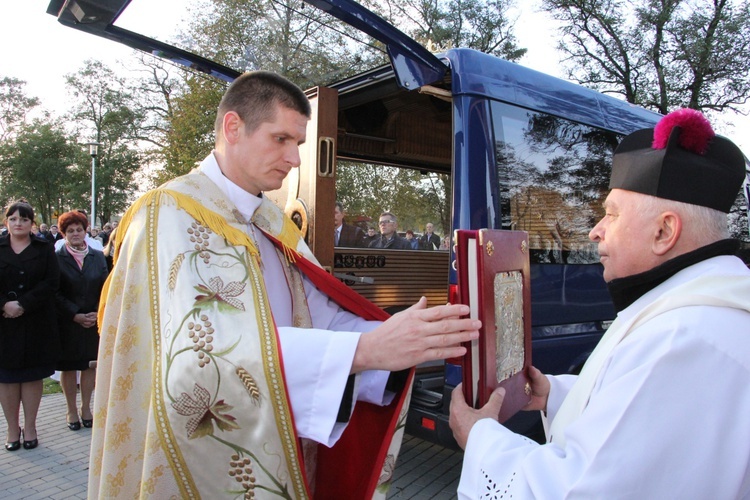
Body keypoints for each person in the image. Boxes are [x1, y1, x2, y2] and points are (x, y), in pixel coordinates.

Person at [89, 71, 480, 498]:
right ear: (233, 128)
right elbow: (199, 353)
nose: (295, 159)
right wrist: (365, 351)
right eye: (281, 140)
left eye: (298, 144)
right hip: (196, 455)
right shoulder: (168, 213)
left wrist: (397, 336)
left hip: (281, 438)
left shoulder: (272, 221)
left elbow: (321, 316)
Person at [449, 108, 750, 498]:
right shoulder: (697, 307)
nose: (595, 231)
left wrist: (480, 440)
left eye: (611, 215)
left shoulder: (681, 338)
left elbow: (576, 490)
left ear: (664, 231)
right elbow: (640, 420)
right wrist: (554, 394)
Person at [0, 200, 60, 451]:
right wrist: (5, 305)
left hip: (35, 321)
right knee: (8, 378)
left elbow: (51, 282)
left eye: (23, 219)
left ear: (31, 223)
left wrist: (23, 304)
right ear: (6, 222)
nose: (18, 223)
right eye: (13, 218)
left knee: (32, 376)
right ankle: (13, 429)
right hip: (4, 324)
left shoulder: (44, 248)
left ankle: (31, 426)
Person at [54, 211, 108, 432]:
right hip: (68, 322)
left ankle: (87, 408)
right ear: (64, 234)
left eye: (79, 230)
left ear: (85, 231)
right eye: (70, 231)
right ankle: (71, 410)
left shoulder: (98, 256)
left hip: (92, 322)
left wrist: (96, 313)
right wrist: (74, 313)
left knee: (89, 366)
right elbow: (54, 292)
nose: (75, 234)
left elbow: (105, 287)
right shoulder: (56, 259)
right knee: (68, 368)